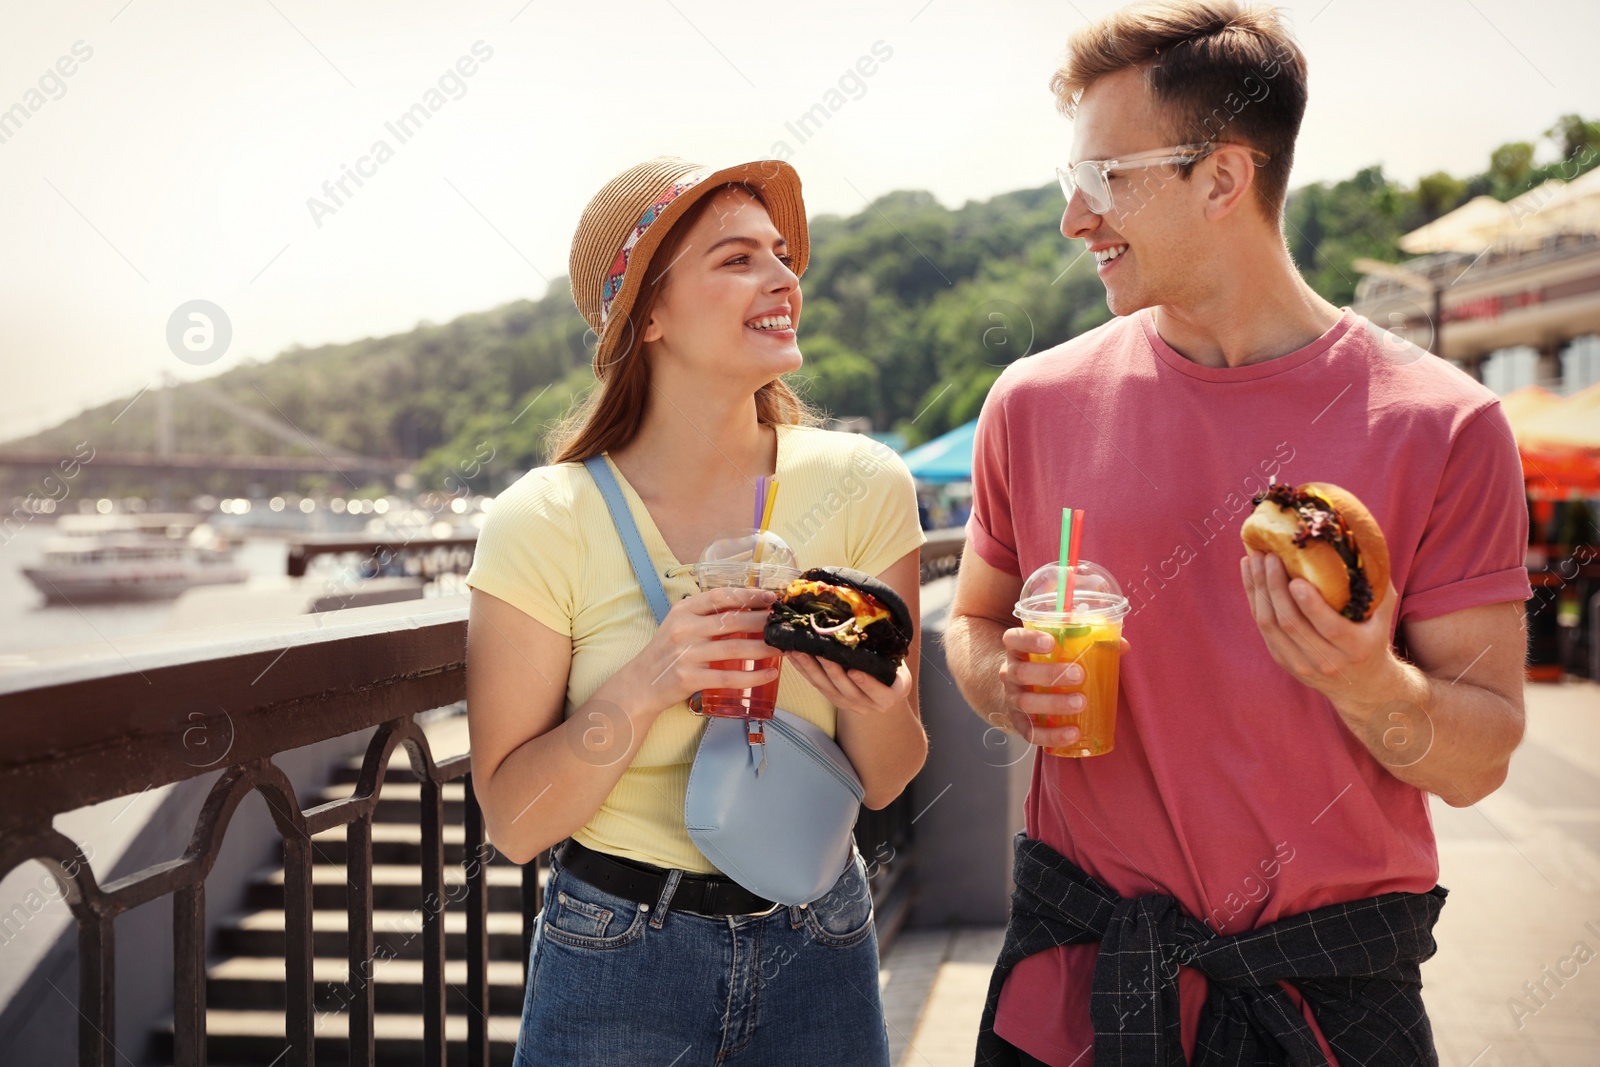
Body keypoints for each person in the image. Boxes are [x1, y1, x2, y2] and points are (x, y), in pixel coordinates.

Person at [943, 4, 1532, 1065]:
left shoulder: (1445, 422)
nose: (1075, 220)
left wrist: (1367, 681)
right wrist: (1002, 681)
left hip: (1327, 1006)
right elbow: (974, 622)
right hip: (1078, 989)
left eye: (1104, 180)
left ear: (1222, 179)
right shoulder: (1029, 402)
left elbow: (1478, 757)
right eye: (1068, 183)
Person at [464, 156, 928, 1066]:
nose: (783, 276)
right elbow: (516, 824)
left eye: (782, 254)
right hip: (616, 958)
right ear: (649, 315)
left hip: (821, 939)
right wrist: (645, 685)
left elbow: (890, 776)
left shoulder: (865, 483)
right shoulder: (542, 518)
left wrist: (875, 699)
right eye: (736, 258)